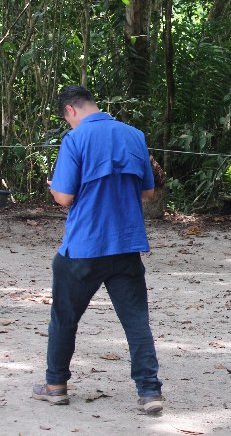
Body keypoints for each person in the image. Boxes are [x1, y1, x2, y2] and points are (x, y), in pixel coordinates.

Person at [32, 85, 164, 414]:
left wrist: (54, 187)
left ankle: (56, 385)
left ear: (70, 111)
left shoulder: (75, 140)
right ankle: (149, 392)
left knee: (64, 319)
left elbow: (64, 197)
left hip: (83, 246)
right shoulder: (134, 135)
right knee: (136, 321)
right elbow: (148, 192)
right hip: (125, 246)